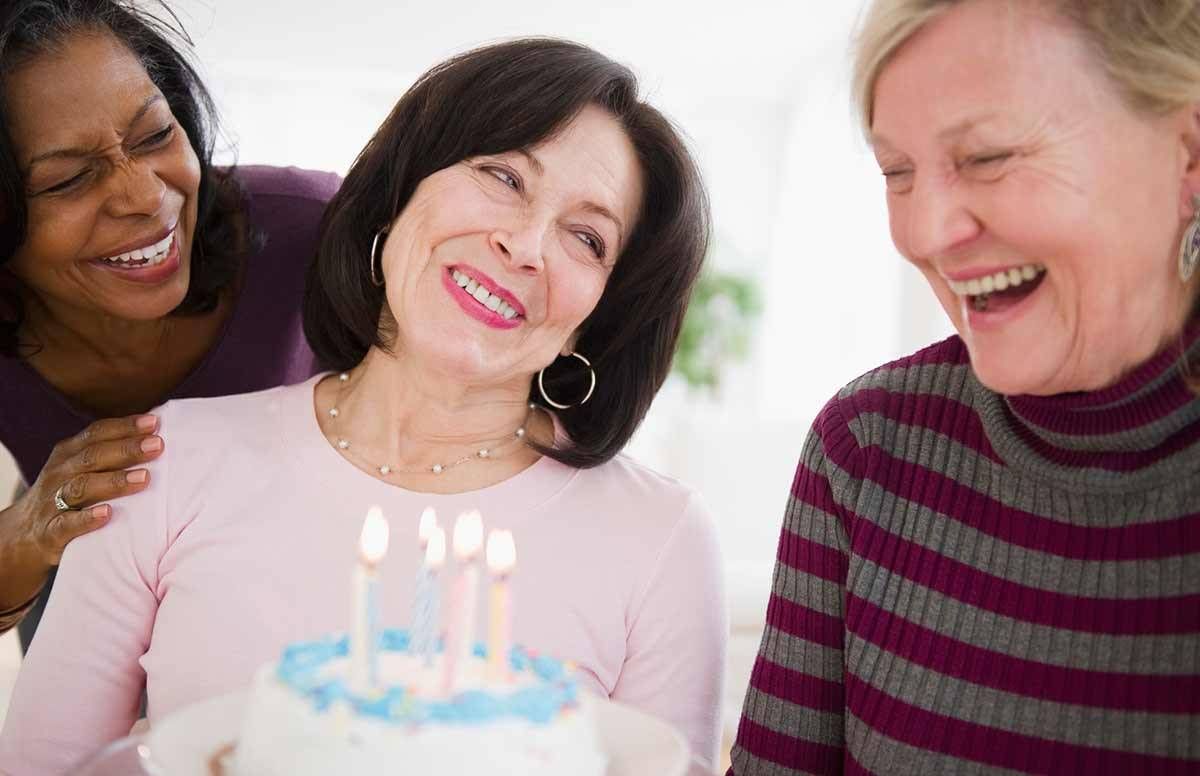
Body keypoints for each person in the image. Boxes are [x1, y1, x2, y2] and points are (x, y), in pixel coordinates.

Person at [0, 37, 727, 776]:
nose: (526, 244)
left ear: (600, 314)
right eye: (503, 177)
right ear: (400, 191)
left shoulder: (661, 541)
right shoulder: (160, 464)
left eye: (586, 237)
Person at [729, 1, 1200, 773]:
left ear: (1188, 151)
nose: (926, 232)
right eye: (897, 172)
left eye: (987, 156)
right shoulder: (867, 451)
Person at [0, 1, 337, 645]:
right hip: (85, 567)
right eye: (69, 180)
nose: (149, 197)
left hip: (300, 580)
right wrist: (31, 526)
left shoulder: (313, 225)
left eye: (156, 137)